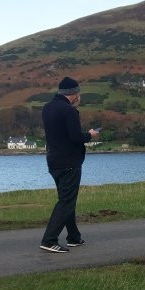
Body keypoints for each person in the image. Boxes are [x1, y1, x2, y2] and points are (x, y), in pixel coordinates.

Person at [39, 77, 100, 253]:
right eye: (78, 93)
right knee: (66, 202)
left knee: (66, 200)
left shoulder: (47, 108)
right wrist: (89, 135)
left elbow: (60, 132)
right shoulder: (69, 111)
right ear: (73, 94)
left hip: (53, 160)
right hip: (69, 162)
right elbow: (75, 137)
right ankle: (49, 240)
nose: (79, 96)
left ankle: (73, 237)